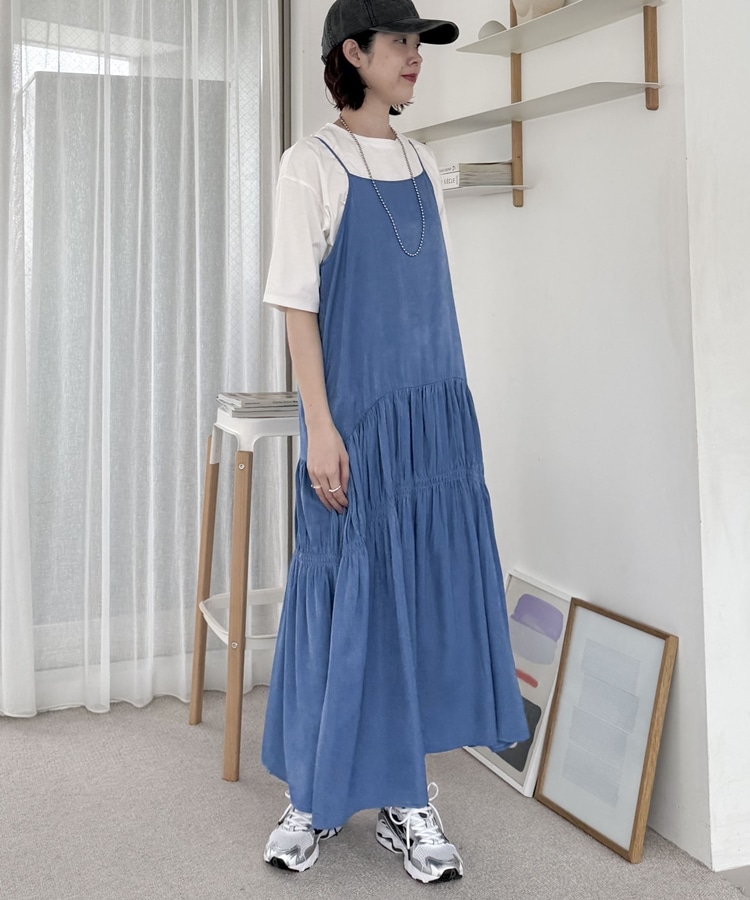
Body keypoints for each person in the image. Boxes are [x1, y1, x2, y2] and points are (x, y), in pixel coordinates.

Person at [260, 0, 529, 884]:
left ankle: (406, 800)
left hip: (433, 416)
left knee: (411, 599)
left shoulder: (422, 161)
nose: (416, 57)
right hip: (358, 421)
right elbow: (297, 304)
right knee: (346, 594)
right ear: (354, 52)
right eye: (402, 42)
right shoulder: (309, 162)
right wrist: (321, 426)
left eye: (420, 44)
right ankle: (313, 793)